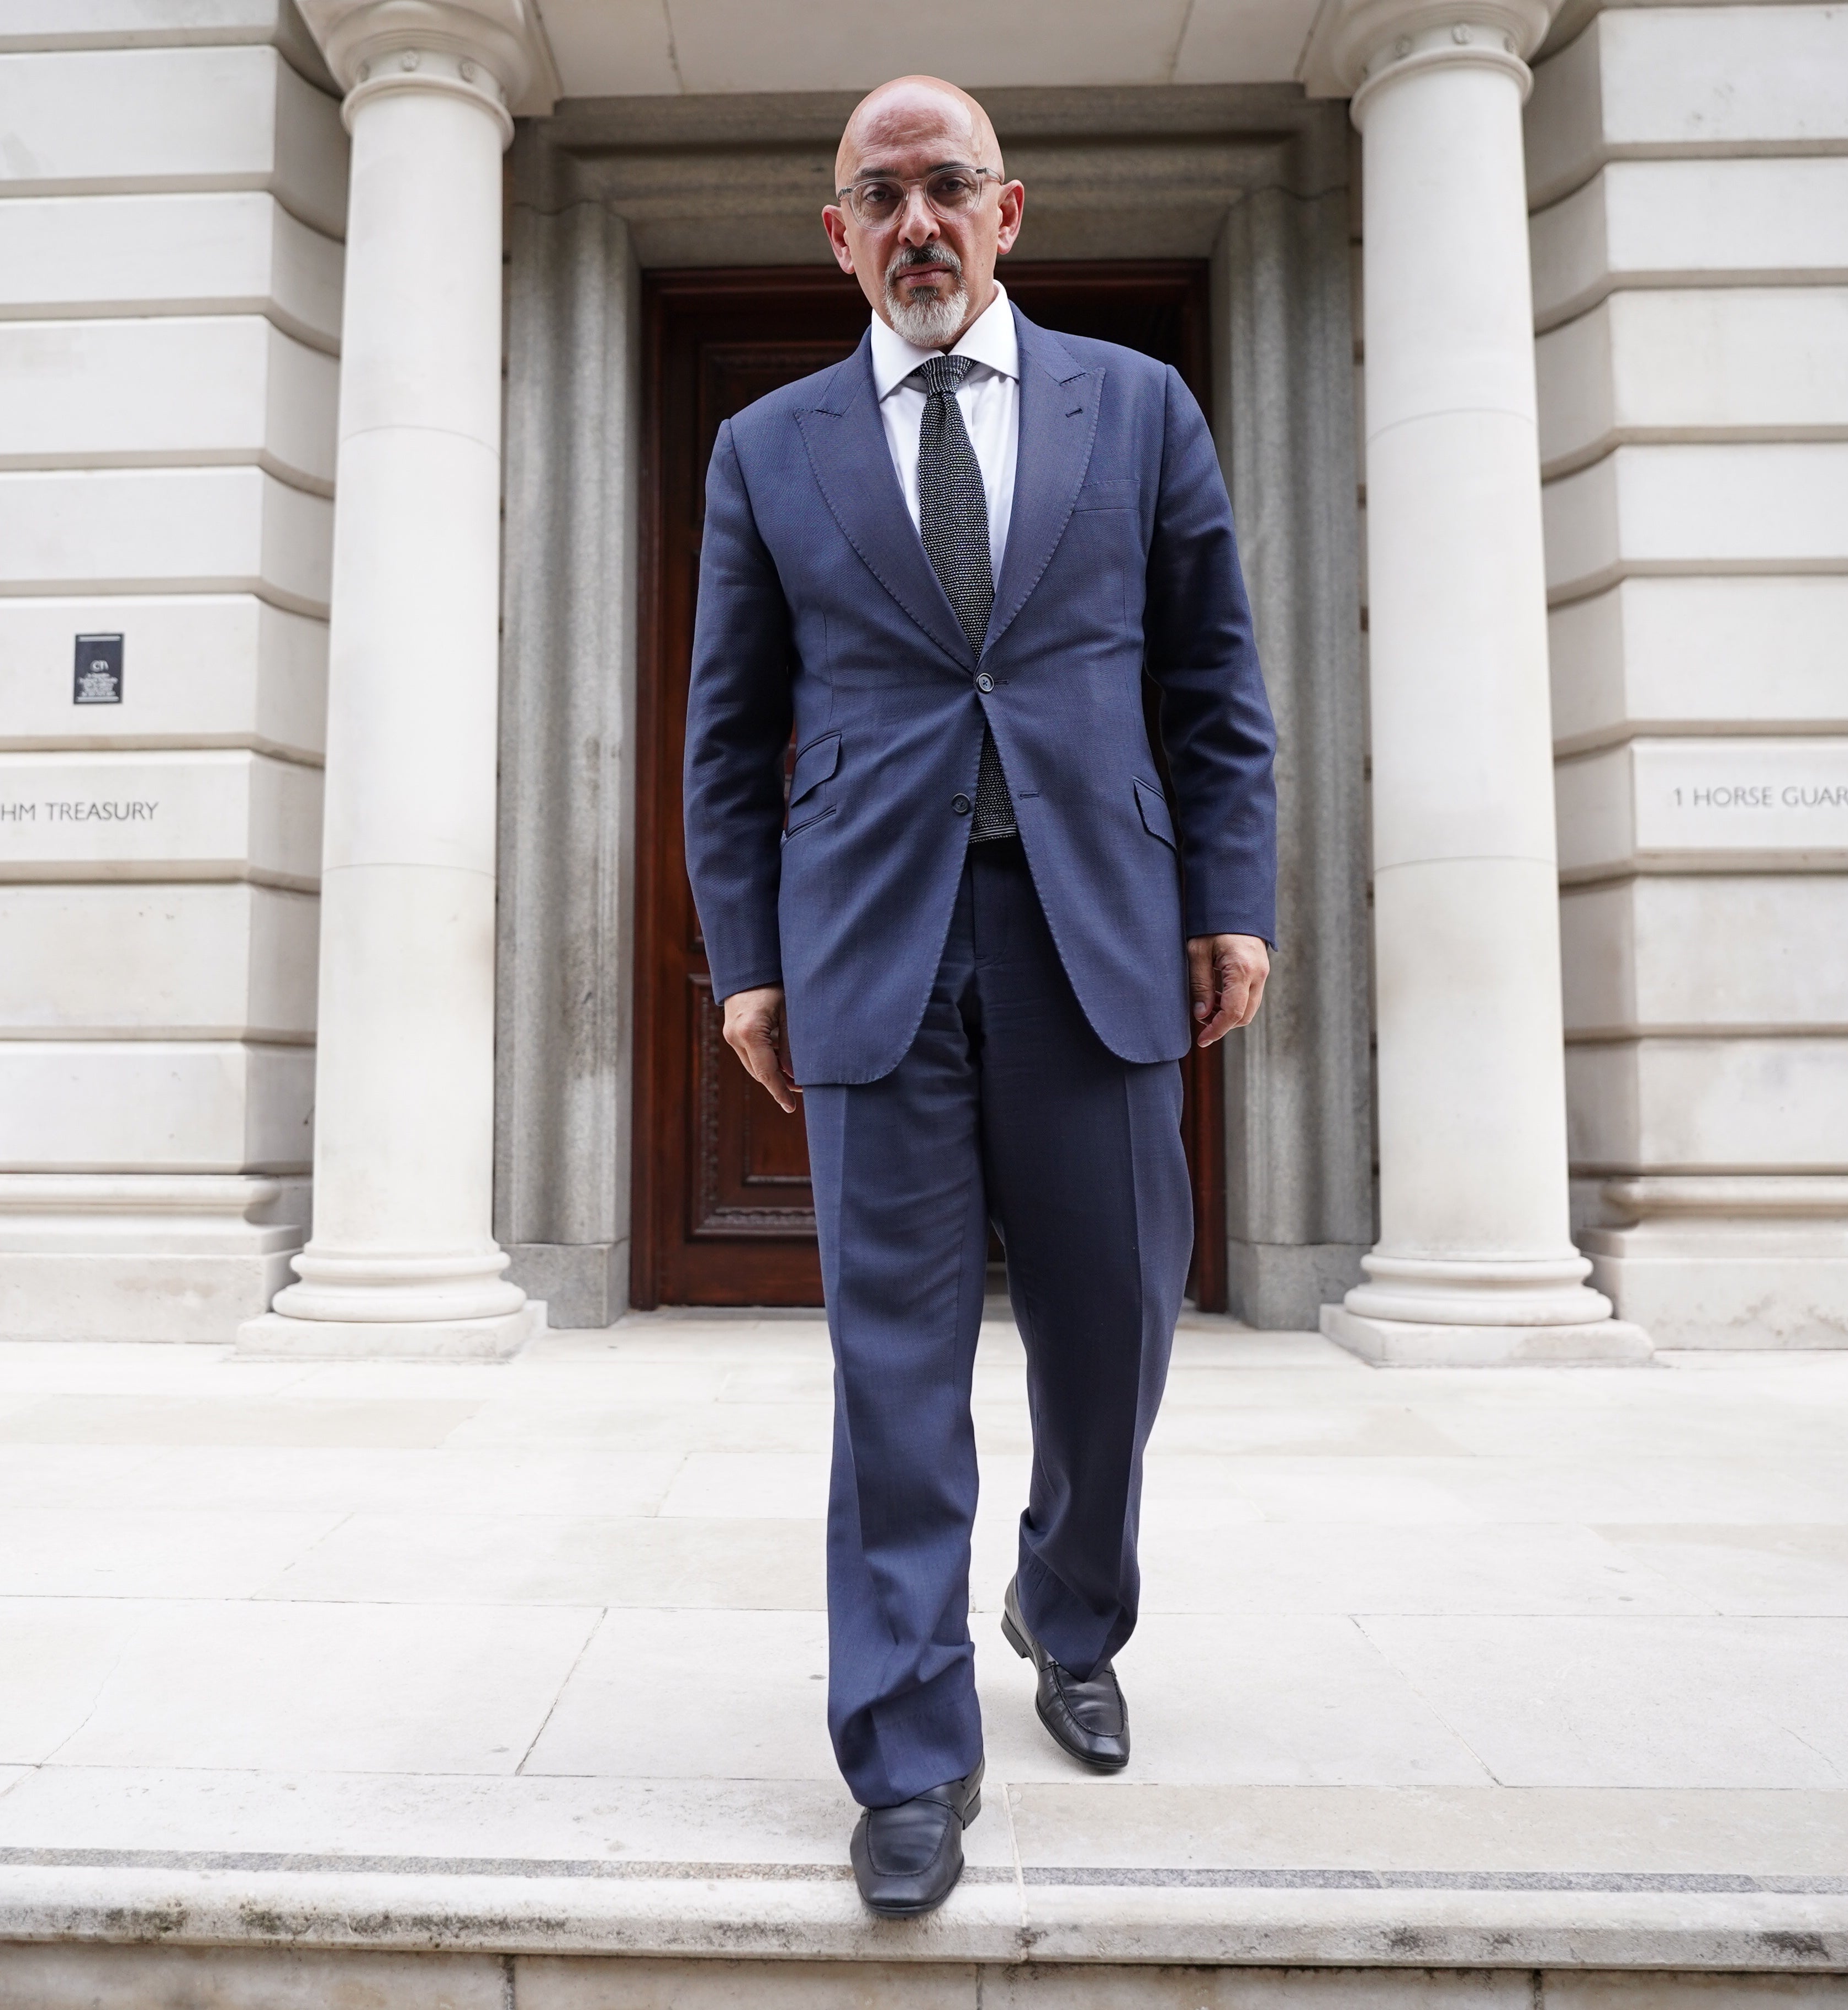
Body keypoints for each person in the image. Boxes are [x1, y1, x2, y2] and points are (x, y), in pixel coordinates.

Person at [682, 73, 1279, 1917]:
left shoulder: (1143, 406)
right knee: (894, 1366)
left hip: (1095, 927)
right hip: (873, 944)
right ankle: (908, 1748)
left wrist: (1233, 896)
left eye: (951, 188)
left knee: (1115, 1329)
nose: (920, 222)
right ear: (840, 234)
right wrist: (749, 954)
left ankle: (1069, 1601)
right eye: (884, 195)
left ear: (1009, 214)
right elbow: (726, 732)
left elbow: (1212, 680)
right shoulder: (768, 446)